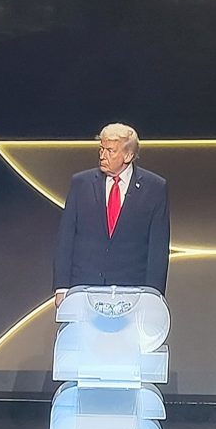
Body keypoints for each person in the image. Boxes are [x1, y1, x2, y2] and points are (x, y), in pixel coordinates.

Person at [53, 123, 170, 306]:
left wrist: (153, 295)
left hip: (131, 292)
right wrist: (62, 287)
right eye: (101, 149)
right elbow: (66, 237)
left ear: (128, 155)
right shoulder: (81, 183)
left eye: (110, 151)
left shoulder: (154, 188)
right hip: (84, 289)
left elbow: (158, 247)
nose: (102, 155)